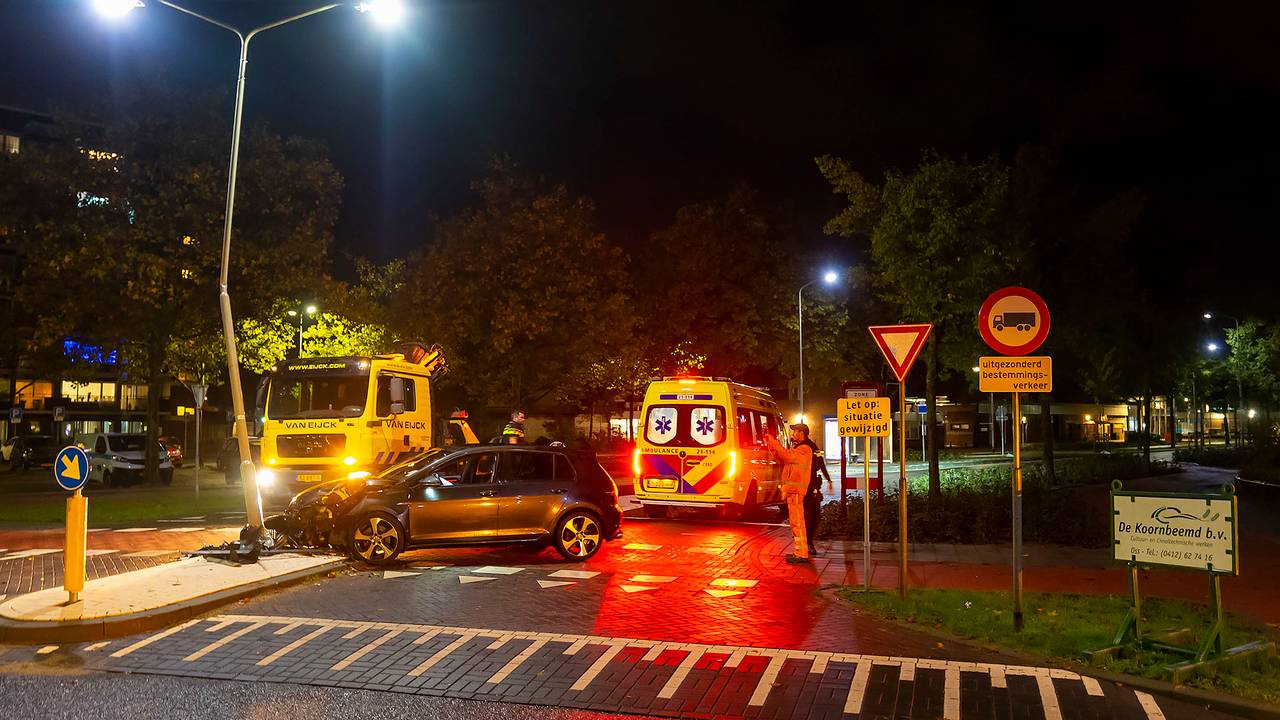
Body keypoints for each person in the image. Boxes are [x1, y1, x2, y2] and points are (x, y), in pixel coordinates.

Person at [764, 422, 814, 563]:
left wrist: (774, 441)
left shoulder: (804, 448)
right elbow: (782, 458)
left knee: (798, 522)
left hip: (796, 490)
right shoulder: (798, 449)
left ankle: (801, 553)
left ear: (801, 433)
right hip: (793, 490)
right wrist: (771, 445)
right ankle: (799, 552)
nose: (792, 434)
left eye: (795, 431)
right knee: (795, 522)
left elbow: (786, 456)